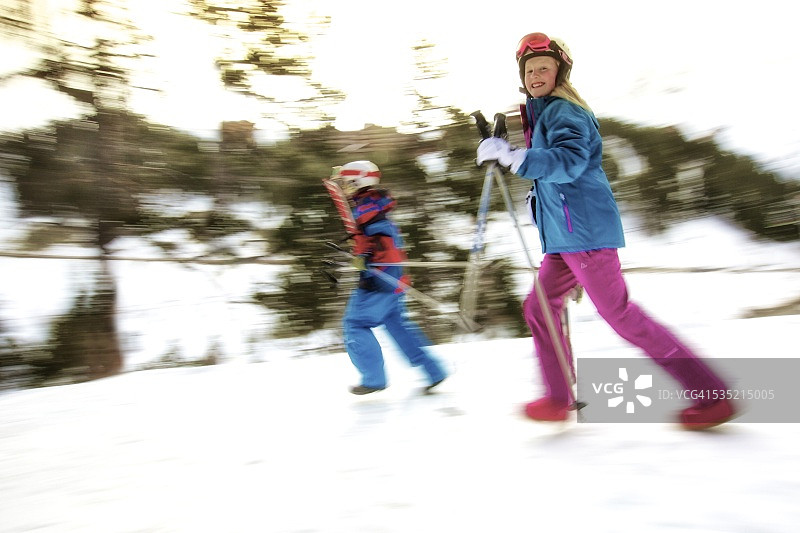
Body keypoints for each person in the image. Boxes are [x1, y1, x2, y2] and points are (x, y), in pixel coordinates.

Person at [476, 32, 735, 429]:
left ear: (560, 71)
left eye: (544, 67)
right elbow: (549, 169)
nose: (536, 74)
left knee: (621, 316)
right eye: (529, 69)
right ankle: (558, 396)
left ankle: (711, 394)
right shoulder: (542, 113)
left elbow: (569, 161)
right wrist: (520, 169)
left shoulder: (565, 111)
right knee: (539, 308)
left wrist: (513, 157)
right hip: (564, 239)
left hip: (586, 236)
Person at [335, 161, 447, 395]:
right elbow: (377, 237)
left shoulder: (366, 206)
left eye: (346, 182)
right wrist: (362, 251)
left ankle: (373, 378)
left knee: (355, 324)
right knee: (397, 325)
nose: (344, 187)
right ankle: (434, 370)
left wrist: (367, 256)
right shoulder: (373, 203)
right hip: (392, 274)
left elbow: (382, 238)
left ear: (358, 181)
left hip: (380, 276)